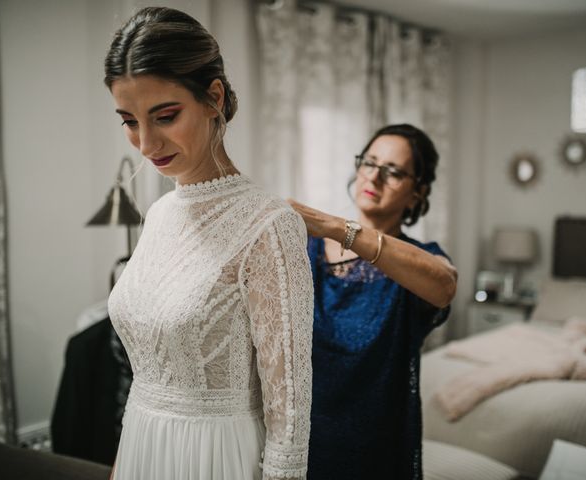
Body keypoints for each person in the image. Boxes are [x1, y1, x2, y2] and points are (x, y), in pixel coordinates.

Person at [104, 7, 313, 480]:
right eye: (129, 120)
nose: (145, 142)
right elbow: (144, 379)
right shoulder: (158, 214)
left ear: (213, 98)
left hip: (216, 457)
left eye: (165, 116)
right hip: (142, 444)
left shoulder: (269, 225)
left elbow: (291, 408)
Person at [288, 124, 458, 480]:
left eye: (393, 171)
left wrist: (337, 227)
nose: (375, 177)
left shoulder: (421, 261)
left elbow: (444, 286)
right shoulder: (305, 250)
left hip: (378, 447)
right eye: (369, 163)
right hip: (301, 439)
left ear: (417, 193)